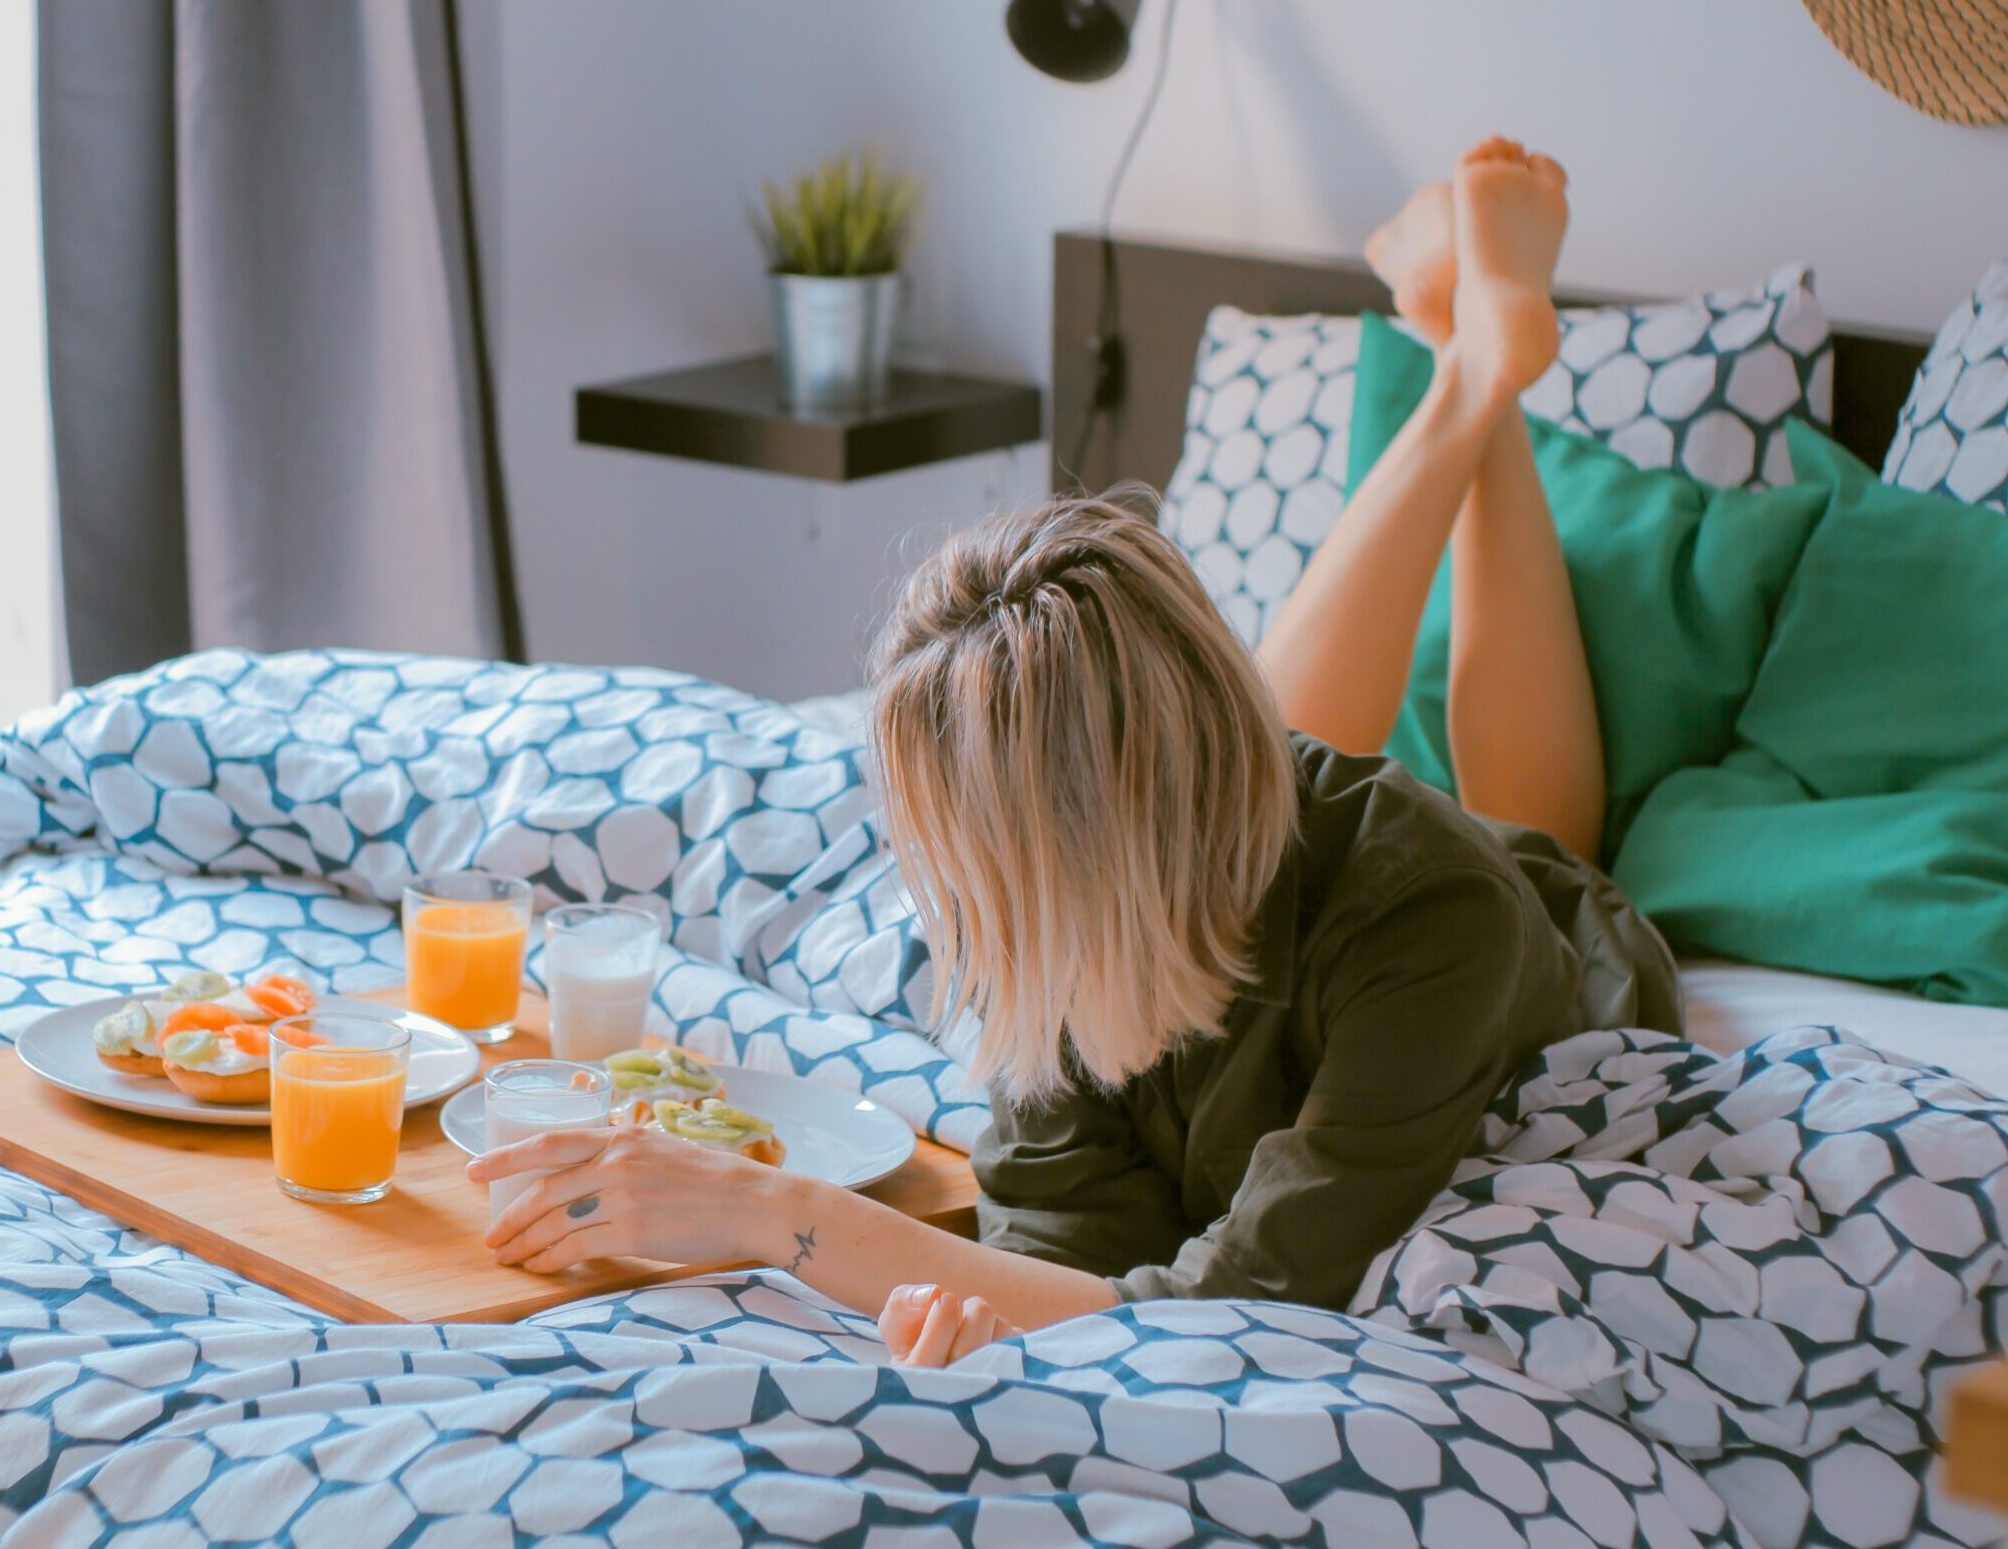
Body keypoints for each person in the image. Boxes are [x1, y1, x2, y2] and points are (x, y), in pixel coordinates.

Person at [466, 136, 1681, 1368]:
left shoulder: (1434, 925)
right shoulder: (1042, 920)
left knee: (1533, 828)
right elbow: (1068, 1247)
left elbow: (1248, 1306)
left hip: (1521, 923)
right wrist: (999, 1313)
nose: (945, 898)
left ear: (1077, 841)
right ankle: (1469, 363)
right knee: (1274, 738)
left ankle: (1481, 377)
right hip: (1218, 835)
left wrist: (781, 1216)